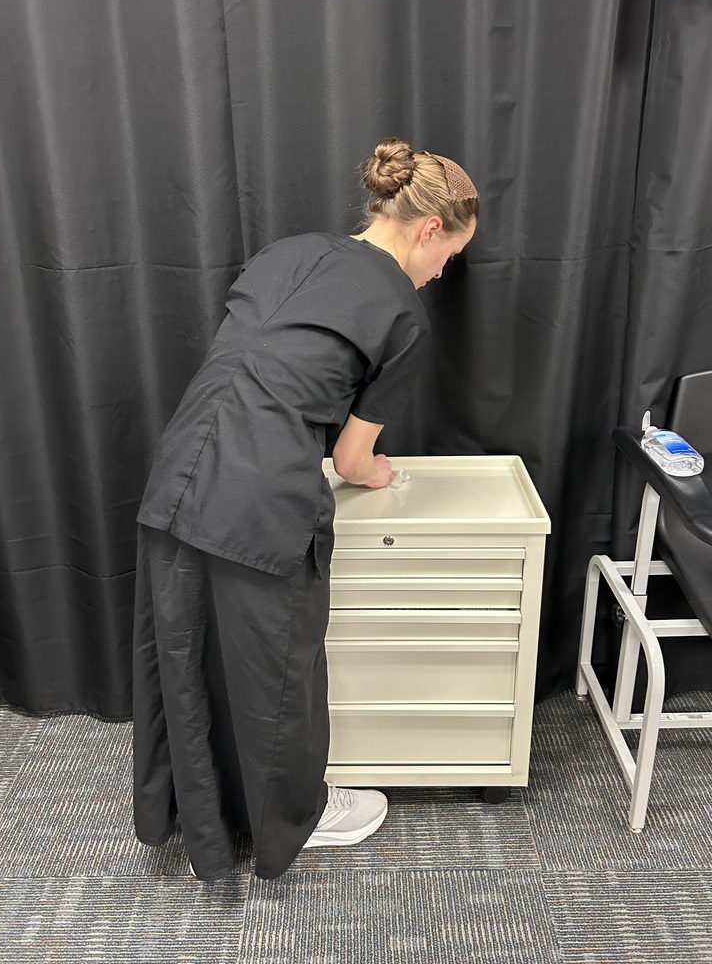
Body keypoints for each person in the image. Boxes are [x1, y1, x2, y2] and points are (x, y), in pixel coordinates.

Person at [132, 137, 479, 881]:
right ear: (427, 230)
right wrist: (382, 476)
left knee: (187, 657)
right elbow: (352, 461)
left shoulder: (288, 253)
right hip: (258, 492)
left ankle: (198, 814)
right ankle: (299, 816)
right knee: (278, 673)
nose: (444, 271)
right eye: (449, 254)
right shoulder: (400, 313)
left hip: (178, 471)